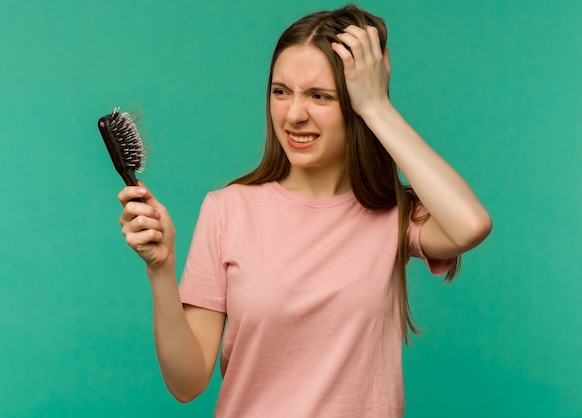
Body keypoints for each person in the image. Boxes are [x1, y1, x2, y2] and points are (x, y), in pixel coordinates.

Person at [117, 5, 492, 417]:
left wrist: (377, 107)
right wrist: (161, 269)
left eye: (320, 96)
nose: (294, 115)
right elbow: (187, 384)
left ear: (354, 103)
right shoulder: (227, 210)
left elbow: (470, 225)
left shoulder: (394, 215)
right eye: (281, 91)